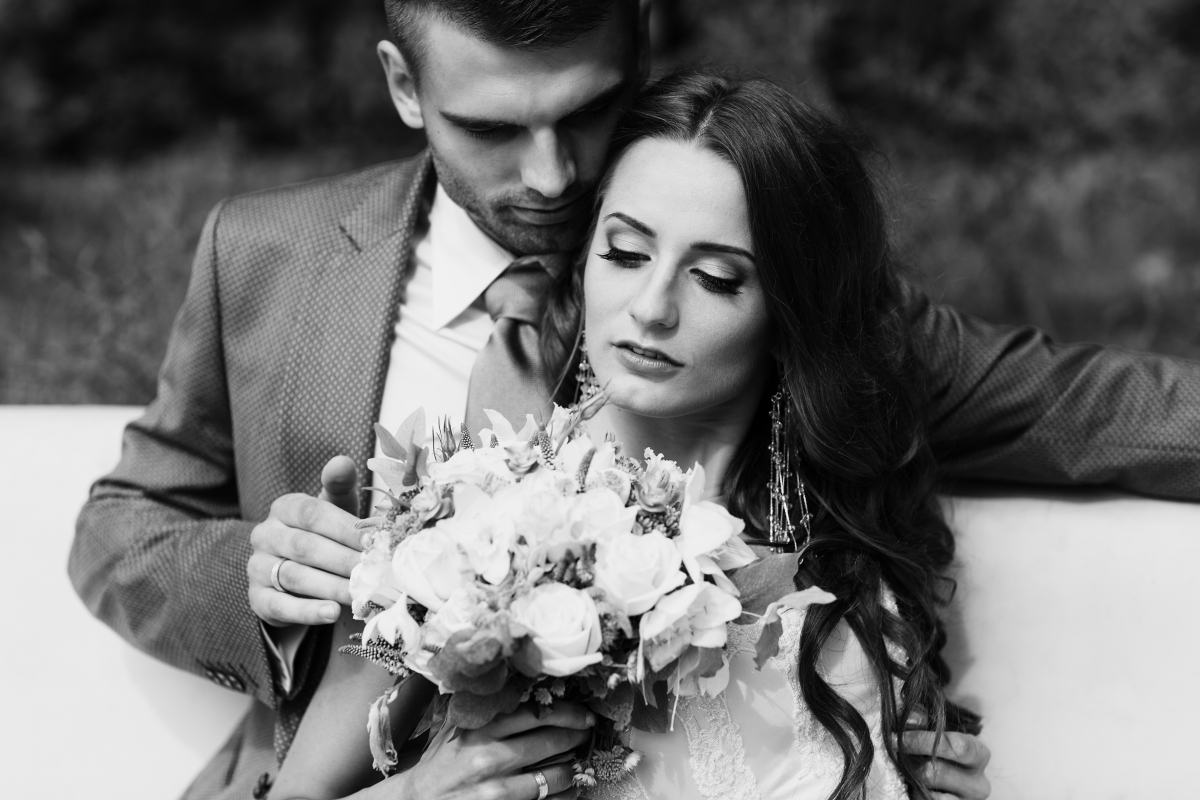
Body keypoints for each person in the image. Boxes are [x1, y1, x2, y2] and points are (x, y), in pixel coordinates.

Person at [67, 1, 1200, 799]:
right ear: (405, 87)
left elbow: (1093, 406)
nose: (552, 177)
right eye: (495, 128)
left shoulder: (730, 215)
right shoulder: (265, 256)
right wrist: (277, 581)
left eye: (587, 112)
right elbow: (123, 525)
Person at [269, 66, 983, 800]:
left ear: (789, 313)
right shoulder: (463, 541)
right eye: (626, 253)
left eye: (714, 277)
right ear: (582, 264)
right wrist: (419, 795)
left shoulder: (849, 566)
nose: (651, 307)